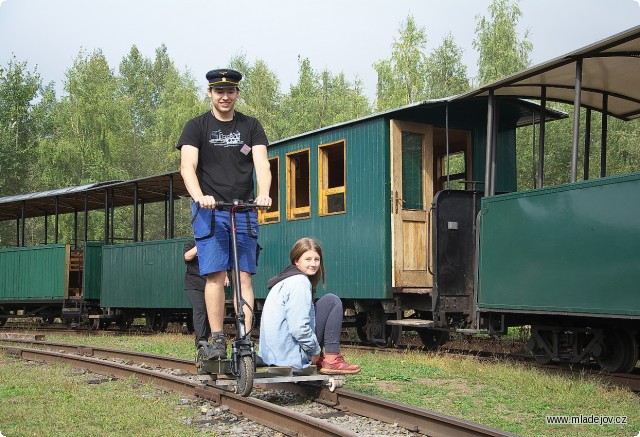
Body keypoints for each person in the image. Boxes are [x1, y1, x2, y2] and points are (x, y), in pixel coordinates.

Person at [177, 68, 272, 360]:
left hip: (243, 209)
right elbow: (187, 167)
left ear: (237, 94)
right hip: (210, 210)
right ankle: (217, 339)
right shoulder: (196, 126)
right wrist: (199, 196)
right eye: (219, 91)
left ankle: (245, 340)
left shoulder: (251, 126)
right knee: (215, 275)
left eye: (230, 91)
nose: (225, 96)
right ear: (210, 93)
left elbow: (262, 164)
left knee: (244, 277)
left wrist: (264, 192)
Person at [259, 238, 361, 375]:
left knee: (327, 302)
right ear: (296, 260)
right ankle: (332, 360)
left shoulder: (285, 279)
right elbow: (298, 328)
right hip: (290, 356)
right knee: (332, 302)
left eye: (316, 259)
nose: (313, 264)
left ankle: (327, 359)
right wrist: (315, 351)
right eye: (308, 259)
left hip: (274, 355)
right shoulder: (299, 283)